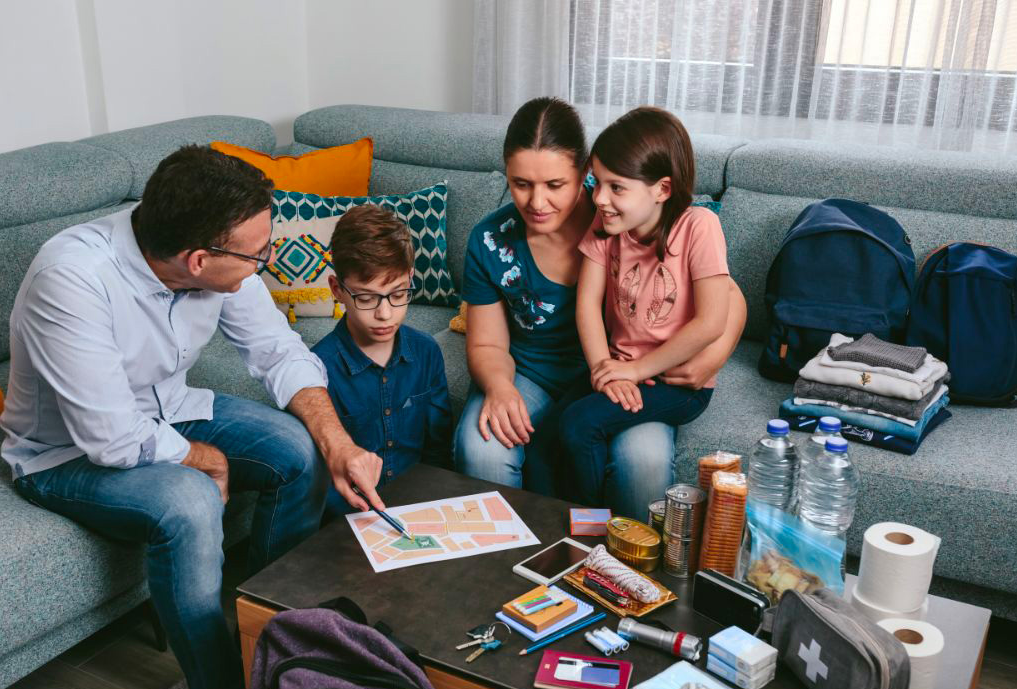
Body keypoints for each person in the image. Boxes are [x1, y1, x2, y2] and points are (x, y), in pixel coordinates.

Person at [0, 145, 385, 689]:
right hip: (64, 455)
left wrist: (338, 443)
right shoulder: (73, 279)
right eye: (261, 253)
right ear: (200, 260)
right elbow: (110, 437)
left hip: (169, 410)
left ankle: (277, 637)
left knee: (298, 449)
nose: (269, 260)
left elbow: (278, 351)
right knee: (191, 500)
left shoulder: (214, 255)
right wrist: (202, 458)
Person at [455, 97, 746, 518]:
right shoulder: (492, 240)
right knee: (484, 448)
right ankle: (521, 557)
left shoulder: (617, 208)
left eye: (555, 185)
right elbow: (488, 344)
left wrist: (712, 356)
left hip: (636, 372)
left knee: (640, 460)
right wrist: (501, 389)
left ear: (583, 173)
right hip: (543, 372)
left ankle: (623, 566)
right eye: (521, 183)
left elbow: (724, 299)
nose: (537, 202)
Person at [559, 106, 731, 506]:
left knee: (579, 424)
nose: (599, 198)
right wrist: (606, 370)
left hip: (676, 382)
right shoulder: (605, 227)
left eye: (616, 187)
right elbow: (586, 304)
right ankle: (553, 524)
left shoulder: (699, 227)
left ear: (662, 189)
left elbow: (711, 322)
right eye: (596, 183)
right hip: (619, 366)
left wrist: (634, 370)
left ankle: (590, 534)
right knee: (551, 424)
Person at [312, 205, 453, 519]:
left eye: (398, 293)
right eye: (366, 298)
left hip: (420, 508)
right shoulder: (317, 368)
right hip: (349, 517)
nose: (385, 313)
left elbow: (437, 449)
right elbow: (318, 480)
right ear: (337, 289)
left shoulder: (426, 351)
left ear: (411, 278)